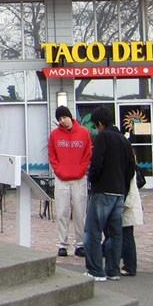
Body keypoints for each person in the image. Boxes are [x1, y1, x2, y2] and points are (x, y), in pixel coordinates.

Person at [83, 106, 135, 281]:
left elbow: (96, 163)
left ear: (99, 123)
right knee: (115, 233)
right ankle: (113, 270)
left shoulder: (102, 137)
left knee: (93, 231)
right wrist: (124, 189)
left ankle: (95, 270)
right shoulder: (124, 140)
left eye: (96, 125)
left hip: (103, 190)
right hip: (119, 192)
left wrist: (93, 180)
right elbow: (131, 169)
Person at [47, 104, 91, 258]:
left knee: (80, 213)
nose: (62, 121)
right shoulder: (54, 135)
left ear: (70, 116)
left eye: (64, 117)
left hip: (79, 179)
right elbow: (52, 155)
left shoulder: (84, 133)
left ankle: (80, 244)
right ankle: (62, 245)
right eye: (59, 119)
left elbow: (87, 154)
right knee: (62, 212)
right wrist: (58, 171)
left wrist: (81, 170)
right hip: (62, 179)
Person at [121, 140, 145, 276]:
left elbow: (131, 187)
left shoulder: (129, 165)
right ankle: (127, 263)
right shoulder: (129, 162)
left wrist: (127, 203)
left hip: (128, 204)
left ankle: (130, 266)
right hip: (128, 203)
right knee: (125, 234)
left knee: (127, 235)